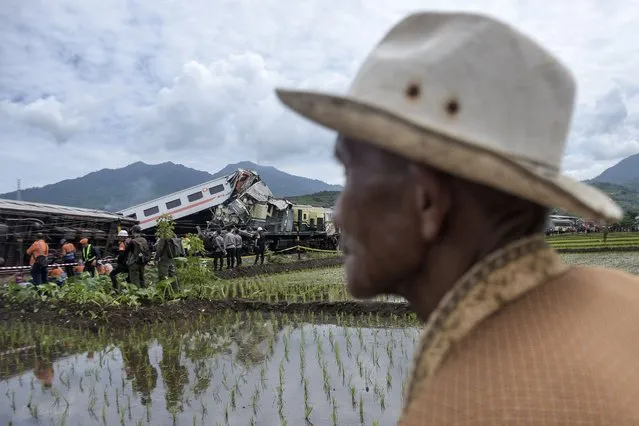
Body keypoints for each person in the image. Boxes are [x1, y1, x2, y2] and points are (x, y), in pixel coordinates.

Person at [274, 11, 639, 425]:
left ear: (427, 201)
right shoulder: (624, 296)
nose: (337, 215)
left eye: (350, 173)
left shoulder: (460, 409)